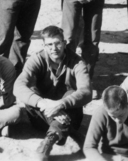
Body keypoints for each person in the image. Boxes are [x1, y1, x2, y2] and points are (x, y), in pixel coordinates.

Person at [14, 26, 92, 161]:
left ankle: (49, 141)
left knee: (72, 93)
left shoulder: (77, 62)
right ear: (44, 45)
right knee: (31, 90)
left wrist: (61, 104)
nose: (54, 48)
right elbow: (18, 86)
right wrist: (44, 104)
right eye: (49, 44)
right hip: (41, 116)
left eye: (57, 43)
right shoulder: (37, 59)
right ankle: (63, 132)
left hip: (69, 114)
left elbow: (86, 91)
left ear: (64, 43)